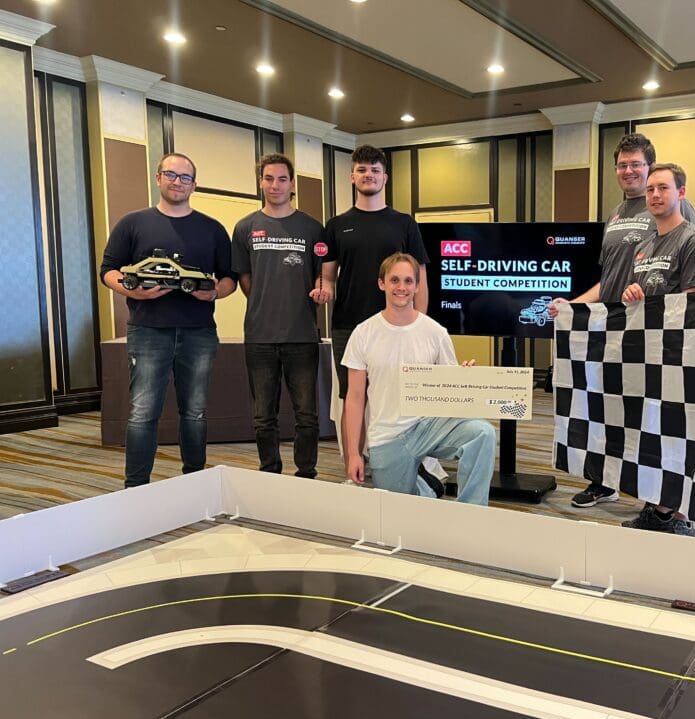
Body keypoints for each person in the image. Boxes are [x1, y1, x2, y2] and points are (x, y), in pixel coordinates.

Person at [549, 133, 695, 509]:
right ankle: (604, 481)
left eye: (636, 164)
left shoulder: (673, 210)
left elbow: (686, 274)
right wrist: (574, 305)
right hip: (609, 321)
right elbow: (609, 278)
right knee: (606, 404)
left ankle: (656, 494)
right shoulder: (615, 215)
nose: (628, 171)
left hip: (650, 326)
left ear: (650, 167)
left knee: (648, 409)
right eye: (622, 165)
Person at [100, 152, 236, 487]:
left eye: (185, 177)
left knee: (195, 411)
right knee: (143, 411)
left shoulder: (213, 229)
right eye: (171, 175)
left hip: (199, 331)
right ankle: (136, 487)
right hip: (148, 330)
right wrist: (133, 291)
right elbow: (108, 271)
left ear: (194, 184)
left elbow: (229, 278)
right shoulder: (133, 223)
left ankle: (194, 482)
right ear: (158, 177)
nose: (178, 182)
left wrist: (214, 293)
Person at [323, 144, 444, 496]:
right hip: (348, 325)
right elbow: (327, 276)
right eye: (362, 170)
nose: (368, 175)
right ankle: (354, 466)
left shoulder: (404, 223)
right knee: (352, 398)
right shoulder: (336, 226)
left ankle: (412, 464)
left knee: (409, 396)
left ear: (385, 177)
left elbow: (420, 277)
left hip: (400, 328)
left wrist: (420, 325)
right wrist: (323, 289)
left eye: (375, 170)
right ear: (352, 176)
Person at [342, 254, 496, 506]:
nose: (401, 287)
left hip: (428, 427)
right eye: (394, 280)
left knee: (483, 433)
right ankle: (426, 486)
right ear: (382, 283)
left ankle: (471, 512)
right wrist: (354, 455)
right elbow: (355, 397)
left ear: (416, 286)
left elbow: (450, 388)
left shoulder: (435, 332)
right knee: (398, 514)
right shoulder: (363, 333)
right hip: (387, 437)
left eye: (408, 281)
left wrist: (465, 376)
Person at [620, 162, 695, 536]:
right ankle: (656, 507)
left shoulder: (694, 241)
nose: (655, 195)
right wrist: (632, 294)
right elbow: (638, 296)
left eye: (663, 188)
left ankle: (679, 517)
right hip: (648, 352)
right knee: (651, 430)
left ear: (681, 193)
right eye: (651, 189)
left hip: (679, 354)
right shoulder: (642, 247)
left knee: (678, 431)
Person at [232, 153, 334, 480]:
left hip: (302, 335)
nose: (275, 185)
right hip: (259, 337)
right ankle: (269, 473)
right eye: (269, 178)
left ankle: (306, 474)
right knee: (263, 416)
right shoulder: (245, 227)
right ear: (261, 182)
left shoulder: (312, 228)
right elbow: (245, 278)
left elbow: (323, 275)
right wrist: (265, 300)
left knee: (307, 415)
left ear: (292, 184)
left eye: (282, 179)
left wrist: (320, 289)